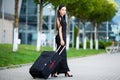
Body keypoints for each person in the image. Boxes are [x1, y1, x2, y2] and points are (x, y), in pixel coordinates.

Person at [51, 4, 73, 77]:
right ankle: (67, 71)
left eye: (65, 10)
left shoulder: (63, 18)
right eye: (63, 9)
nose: (64, 11)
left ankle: (55, 71)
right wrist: (61, 39)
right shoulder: (59, 18)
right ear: (59, 10)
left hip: (63, 38)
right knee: (62, 55)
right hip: (60, 38)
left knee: (59, 55)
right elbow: (60, 30)